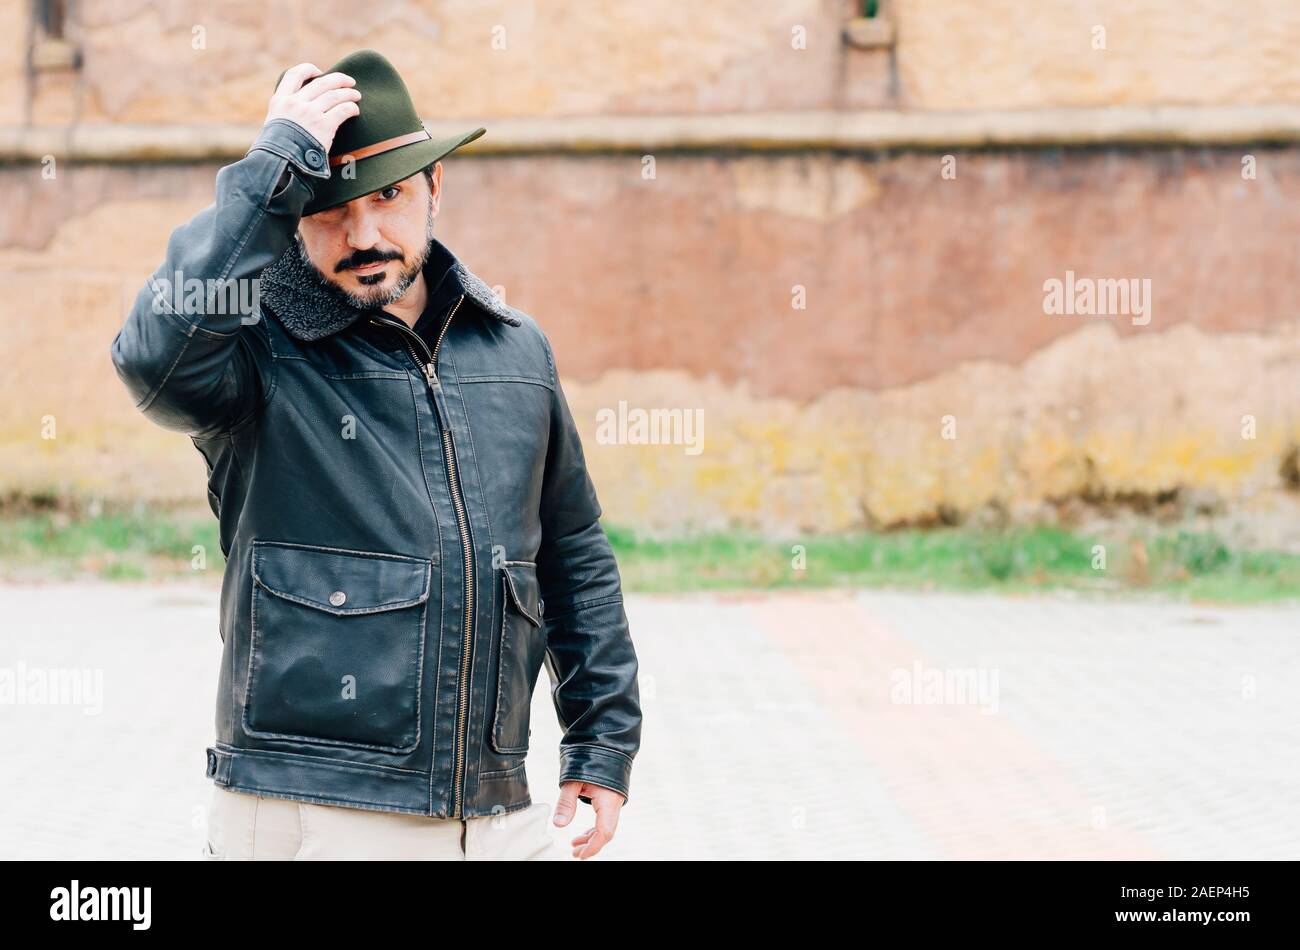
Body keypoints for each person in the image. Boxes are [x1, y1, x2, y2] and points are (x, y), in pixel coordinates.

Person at [110, 48, 642, 860]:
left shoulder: (515, 349)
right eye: (328, 209)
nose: (364, 235)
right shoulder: (254, 349)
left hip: (499, 811)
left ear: (435, 186)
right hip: (317, 809)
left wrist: (602, 741)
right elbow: (152, 357)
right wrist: (269, 168)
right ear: (291, 218)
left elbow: (572, 551)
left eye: (388, 195)